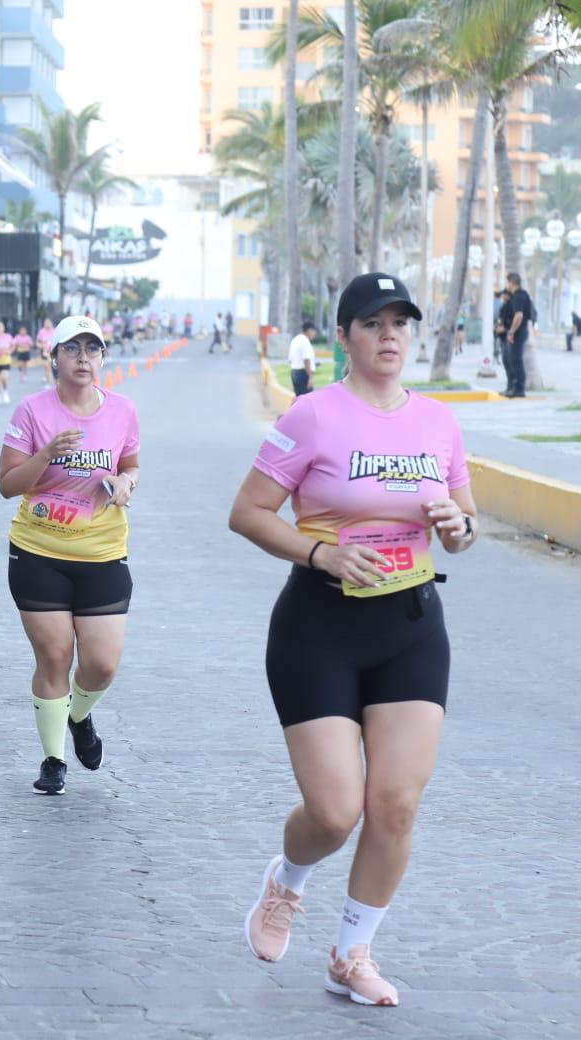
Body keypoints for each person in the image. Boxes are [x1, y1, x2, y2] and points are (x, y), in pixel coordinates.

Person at [228, 272, 478, 1008]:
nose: (390, 335)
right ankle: (286, 881)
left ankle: (351, 952)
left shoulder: (438, 421)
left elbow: (463, 520)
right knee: (337, 812)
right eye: (373, 323)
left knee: (395, 803)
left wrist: (460, 530)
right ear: (344, 337)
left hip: (410, 626)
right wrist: (320, 552)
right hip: (319, 626)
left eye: (401, 322)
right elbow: (248, 512)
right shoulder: (312, 416)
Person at [0, 315, 141, 797]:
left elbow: (131, 464)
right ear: (53, 357)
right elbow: (6, 484)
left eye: (92, 349)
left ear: (103, 357)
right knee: (55, 656)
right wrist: (46, 454)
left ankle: (79, 716)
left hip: (102, 551)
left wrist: (125, 483)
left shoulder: (122, 410)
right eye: (73, 348)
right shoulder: (32, 412)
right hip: (39, 550)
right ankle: (54, 758)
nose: (84, 358)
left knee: (101, 663)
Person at [500, 273, 533, 398]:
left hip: (518, 333)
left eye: (507, 282)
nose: (506, 285)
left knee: (516, 361)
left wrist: (511, 332)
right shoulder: (514, 296)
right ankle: (511, 387)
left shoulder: (520, 296)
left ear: (512, 283)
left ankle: (519, 389)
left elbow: (519, 316)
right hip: (515, 332)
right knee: (510, 360)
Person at [288, 321, 319, 396]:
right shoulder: (305, 341)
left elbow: (290, 359)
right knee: (307, 400)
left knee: (299, 399)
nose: (315, 334)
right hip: (303, 374)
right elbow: (306, 360)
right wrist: (310, 377)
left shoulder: (295, 339)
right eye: (314, 331)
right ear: (309, 330)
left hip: (294, 372)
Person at [35, 318, 56, 386]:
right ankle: (49, 383)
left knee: (54, 368)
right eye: (46, 323)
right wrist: (41, 346)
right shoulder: (41, 331)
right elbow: (37, 342)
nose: (47, 324)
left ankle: (55, 382)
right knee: (47, 367)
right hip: (45, 352)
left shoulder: (55, 331)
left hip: (53, 352)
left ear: (51, 324)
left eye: (49, 323)